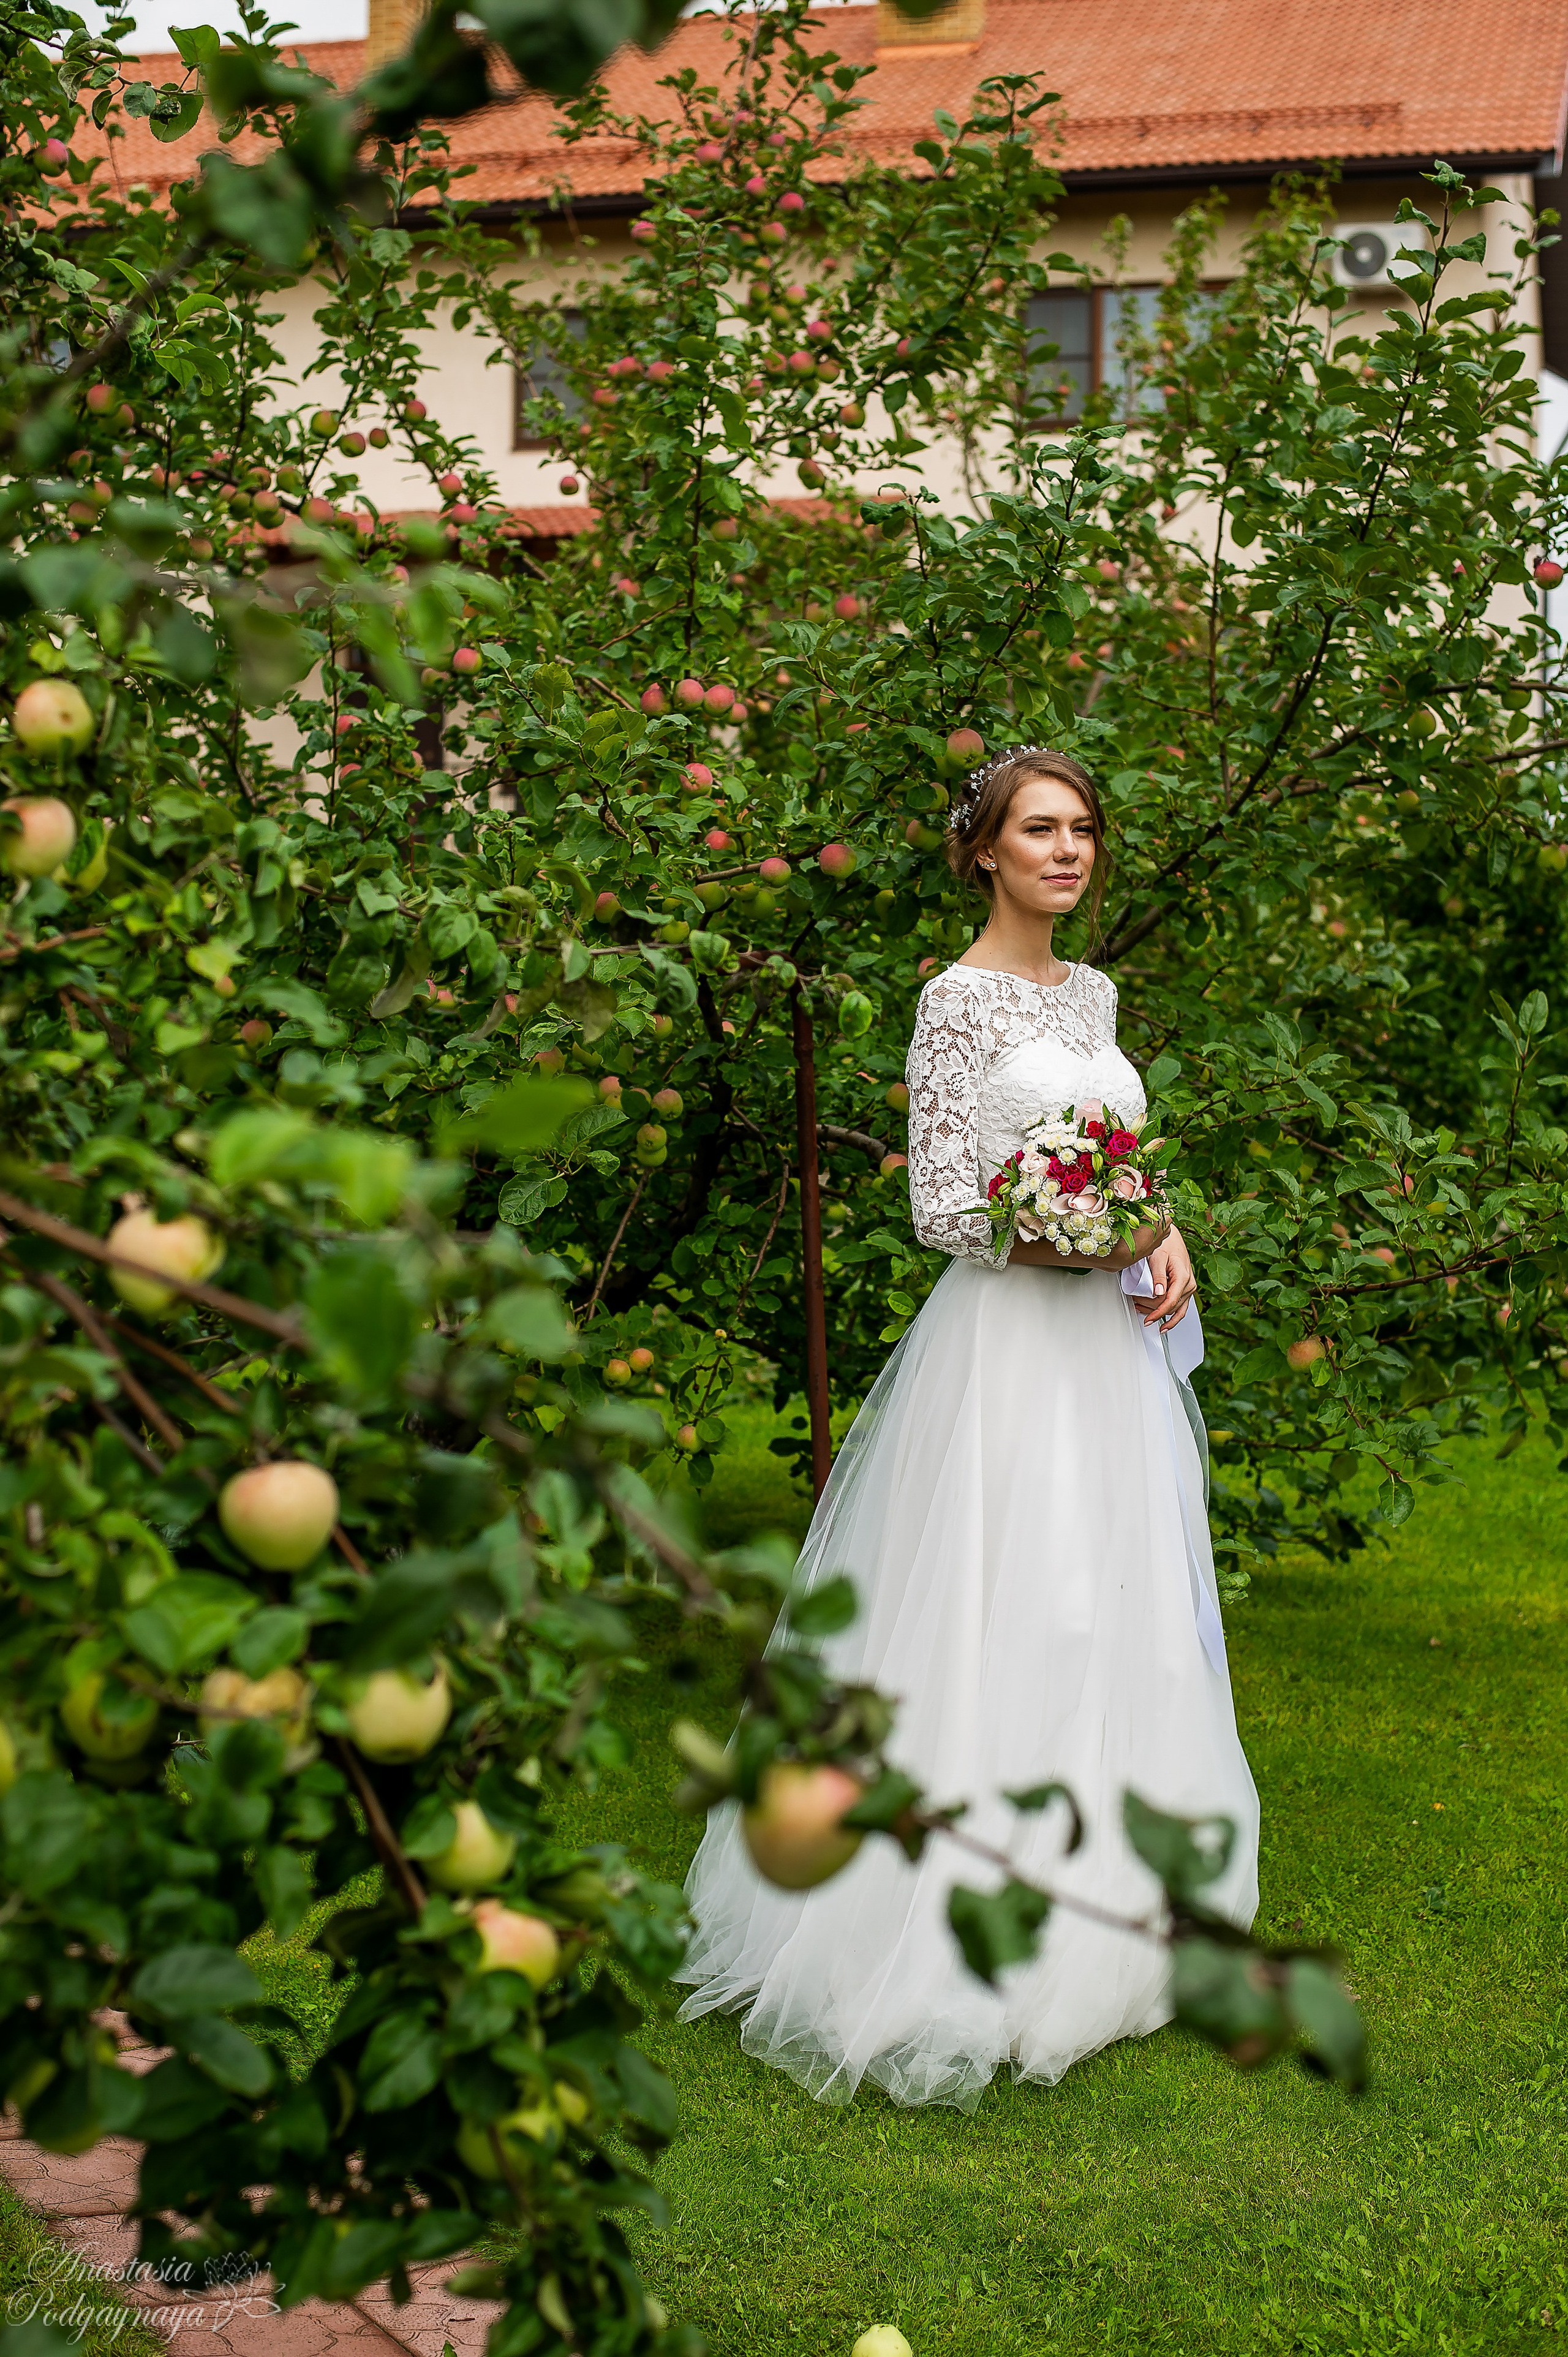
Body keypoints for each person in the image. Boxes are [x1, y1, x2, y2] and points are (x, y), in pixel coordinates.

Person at [676, 746, 1259, 2111]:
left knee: (1110, 1609)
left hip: (1102, 1353)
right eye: (1039, 830)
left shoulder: (1095, 992)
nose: (1068, 851)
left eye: (1084, 830)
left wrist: (1154, 1223)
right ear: (982, 851)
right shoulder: (953, 1003)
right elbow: (942, 1202)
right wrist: (1083, 1239)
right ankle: (945, 1931)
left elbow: (1109, 1156)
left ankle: (1116, 1913)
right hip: (1005, 1345)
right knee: (1003, 1602)